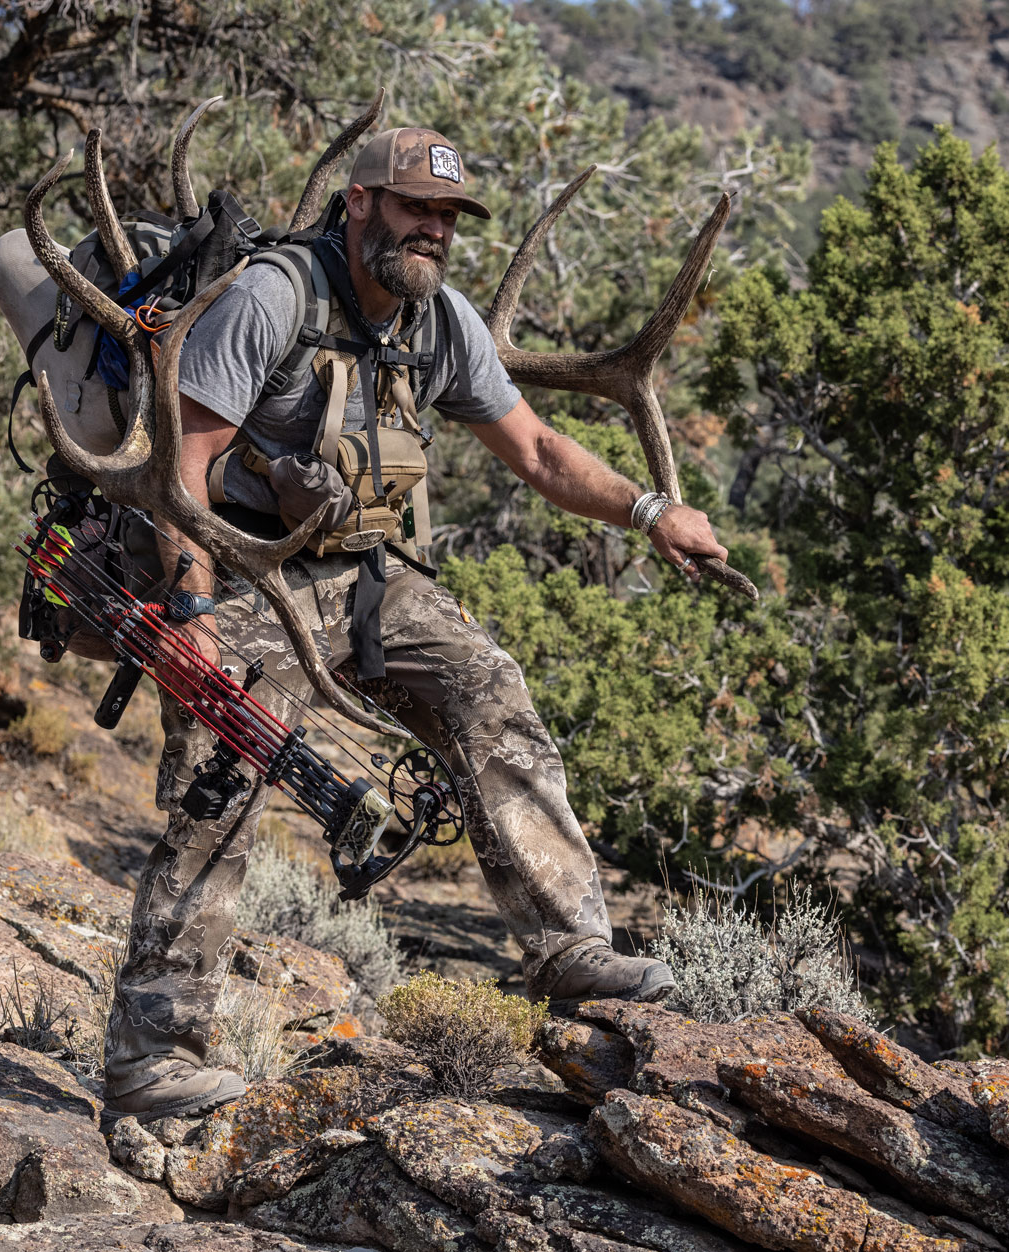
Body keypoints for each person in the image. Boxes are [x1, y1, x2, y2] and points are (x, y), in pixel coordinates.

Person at [102, 127, 733, 1122]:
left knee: (488, 683)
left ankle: (569, 949)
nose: (431, 231)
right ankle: (153, 1056)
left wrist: (651, 512)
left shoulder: (440, 320)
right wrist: (189, 619)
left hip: (363, 575)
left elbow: (533, 448)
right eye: (412, 209)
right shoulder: (274, 297)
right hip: (244, 574)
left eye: (445, 216)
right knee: (226, 761)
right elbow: (179, 475)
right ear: (359, 204)